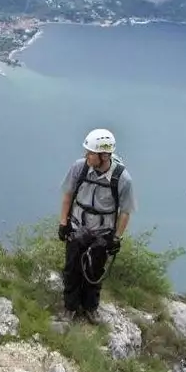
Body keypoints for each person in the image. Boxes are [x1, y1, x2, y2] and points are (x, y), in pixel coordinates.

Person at [57, 128, 137, 324]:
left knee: (94, 272)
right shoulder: (79, 168)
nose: (87, 156)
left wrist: (116, 238)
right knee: (72, 269)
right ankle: (70, 307)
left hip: (102, 233)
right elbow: (68, 194)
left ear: (104, 155)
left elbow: (125, 212)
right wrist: (63, 223)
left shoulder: (122, 179)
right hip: (77, 227)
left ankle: (90, 307)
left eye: (91, 153)